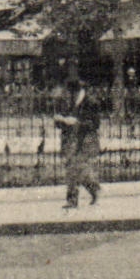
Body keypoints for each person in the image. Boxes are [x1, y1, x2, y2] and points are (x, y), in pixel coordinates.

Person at [55, 76, 103, 209]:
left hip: (85, 141)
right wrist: (60, 120)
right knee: (76, 169)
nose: (68, 95)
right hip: (70, 141)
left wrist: (76, 123)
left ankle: (72, 200)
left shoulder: (91, 102)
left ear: (78, 91)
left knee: (73, 169)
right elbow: (59, 120)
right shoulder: (67, 101)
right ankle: (94, 189)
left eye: (70, 92)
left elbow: (95, 124)